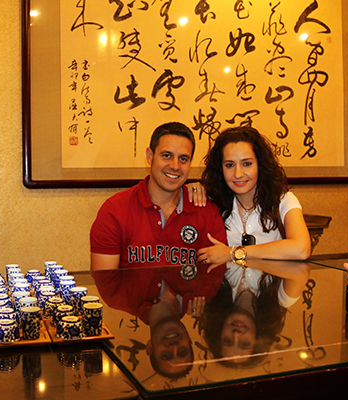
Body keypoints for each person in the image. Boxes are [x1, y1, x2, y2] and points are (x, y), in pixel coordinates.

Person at [90, 122, 227, 272]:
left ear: (190, 162)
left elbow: (215, 277)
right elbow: (105, 281)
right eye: (166, 156)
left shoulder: (207, 212)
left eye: (183, 159)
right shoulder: (115, 210)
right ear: (150, 156)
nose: (175, 166)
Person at [195, 126, 311, 267]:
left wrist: (233, 253)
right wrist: (189, 190)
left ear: (260, 165)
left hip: (273, 281)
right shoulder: (213, 204)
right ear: (220, 169)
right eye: (229, 165)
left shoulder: (283, 201)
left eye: (247, 164)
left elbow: (301, 249)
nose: (238, 174)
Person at [200, 259, 310, 367]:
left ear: (219, 332)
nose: (236, 334)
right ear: (259, 338)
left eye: (227, 340)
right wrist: (236, 255)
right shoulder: (280, 299)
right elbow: (302, 269)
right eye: (245, 343)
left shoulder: (212, 290)